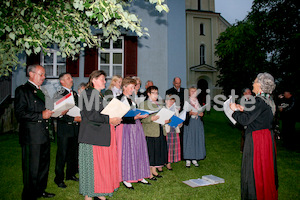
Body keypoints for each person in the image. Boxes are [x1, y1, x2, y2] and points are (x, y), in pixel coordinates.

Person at [230, 72, 278, 200]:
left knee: (253, 171)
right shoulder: (269, 100)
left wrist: (234, 110)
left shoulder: (258, 101)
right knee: (265, 170)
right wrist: (242, 109)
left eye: (255, 81)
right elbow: (257, 117)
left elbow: (245, 121)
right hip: (266, 138)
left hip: (257, 140)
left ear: (261, 85)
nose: (253, 83)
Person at [78, 70, 122, 200]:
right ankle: (89, 195)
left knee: (100, 167)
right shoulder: (88, 93)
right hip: (91, 136)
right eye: (102, 79)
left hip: (99, 135)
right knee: (92, 167)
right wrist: (109, 120)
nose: (105, 81)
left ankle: (99, 192)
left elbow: (101, 113)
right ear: (94, 80)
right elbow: (91, 115)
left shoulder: (99, 95)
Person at [15, 64, 55, 199]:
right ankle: (29, 195)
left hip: (44, 135)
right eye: (41, 74)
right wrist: (40, 115)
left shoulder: (42, 91)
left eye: (44, 75)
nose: (44, 77)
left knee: (43, 166)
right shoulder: (22, 90)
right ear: (31, 74)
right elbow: (20, 114)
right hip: (32, 137)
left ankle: (40, 190)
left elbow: (47, 110)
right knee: (31, 169)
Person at [115, 77, 151, 190]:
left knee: (138, 150)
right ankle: (126, 177)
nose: (132, 89)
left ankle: (139, 175)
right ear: (124, 87)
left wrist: (140, 115)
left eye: (133, 87)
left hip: (136, 127)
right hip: (125, 128)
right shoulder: (119, 99)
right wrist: (135, 117)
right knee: (127, 152)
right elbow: (118, 117)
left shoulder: (131, 99)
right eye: (130, 87)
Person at [53, 73, 81, 188]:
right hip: (64, 129)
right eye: (68, 78)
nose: (71, 80)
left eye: (71, 77)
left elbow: (79, 108)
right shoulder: (58, 94)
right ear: (62, 81)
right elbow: (56, 113)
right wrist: (73, 118)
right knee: (62, 155)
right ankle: (59, 178)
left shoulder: (74, 93)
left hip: (75, 128)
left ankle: (71, 174)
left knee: (73, 153)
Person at [140, 86, 168, 180]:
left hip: (159, 130)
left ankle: (154, 170)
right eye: (154, 93)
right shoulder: (143, 104)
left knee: (157, 151)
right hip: (150, 131)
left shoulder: (159, 104)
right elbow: (142, 119)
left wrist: (166, 120)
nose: (156, 95)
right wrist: (151, 118)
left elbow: (164, 115)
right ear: (148, 93)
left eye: (157, 93)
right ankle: (148, 172)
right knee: (150, 152)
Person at [183, 86, 206, 168]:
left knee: (197, 139)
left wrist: (202, 114)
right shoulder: (187, 101)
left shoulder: (198, 101)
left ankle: (195, 158)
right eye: (192, 91)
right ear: (189, 92)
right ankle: (188, 159)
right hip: (190, 123)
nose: (193, 93)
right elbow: (183, 113)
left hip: (198, 122)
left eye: (195, 91)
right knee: (190, 139)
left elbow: (202, 110)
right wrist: (189, 113)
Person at [166, 77, 185, 159]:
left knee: (179, 137)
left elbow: (185, 101)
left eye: (179, 83)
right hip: (171, 115)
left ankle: (178, 155)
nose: (178, 85)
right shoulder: (169, 91)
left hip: (180, 113)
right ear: (173, 83)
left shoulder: (184, 91)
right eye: (176, 83)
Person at [164, 95, 182, 170]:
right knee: (166, 146)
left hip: (174, 130)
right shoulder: (164, 109)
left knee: (172, 146)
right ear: (166, 101)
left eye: (173, 101)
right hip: (167, 130)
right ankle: (165, 162)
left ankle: (170, 161)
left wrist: (180, 123)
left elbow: (179, 119)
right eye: (170, 101)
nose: (171, 103)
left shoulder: (175, 110)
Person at [237, 88, 252, 153]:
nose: (250, 94)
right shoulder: (241, 100)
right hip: (244, 119)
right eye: (248, 92)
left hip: (250, 119)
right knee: (244, 134)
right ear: (244, 93)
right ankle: (243, 149)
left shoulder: (252, 100)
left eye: (250, 92)